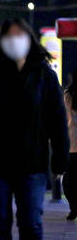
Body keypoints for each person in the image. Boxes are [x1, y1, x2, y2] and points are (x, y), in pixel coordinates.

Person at [0, 18, 69, 240]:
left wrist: (60, 157)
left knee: (31, 225)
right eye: (8, 36)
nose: (14, 40)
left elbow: (57, 121)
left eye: (18, 35)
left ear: (29, 39)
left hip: (32, 165)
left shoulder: (45, 77)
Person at [64, 70, 77, 220]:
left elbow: (66, 116)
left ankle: (74, 206)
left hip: (73, 140)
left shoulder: (68, 94)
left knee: (70, 177)